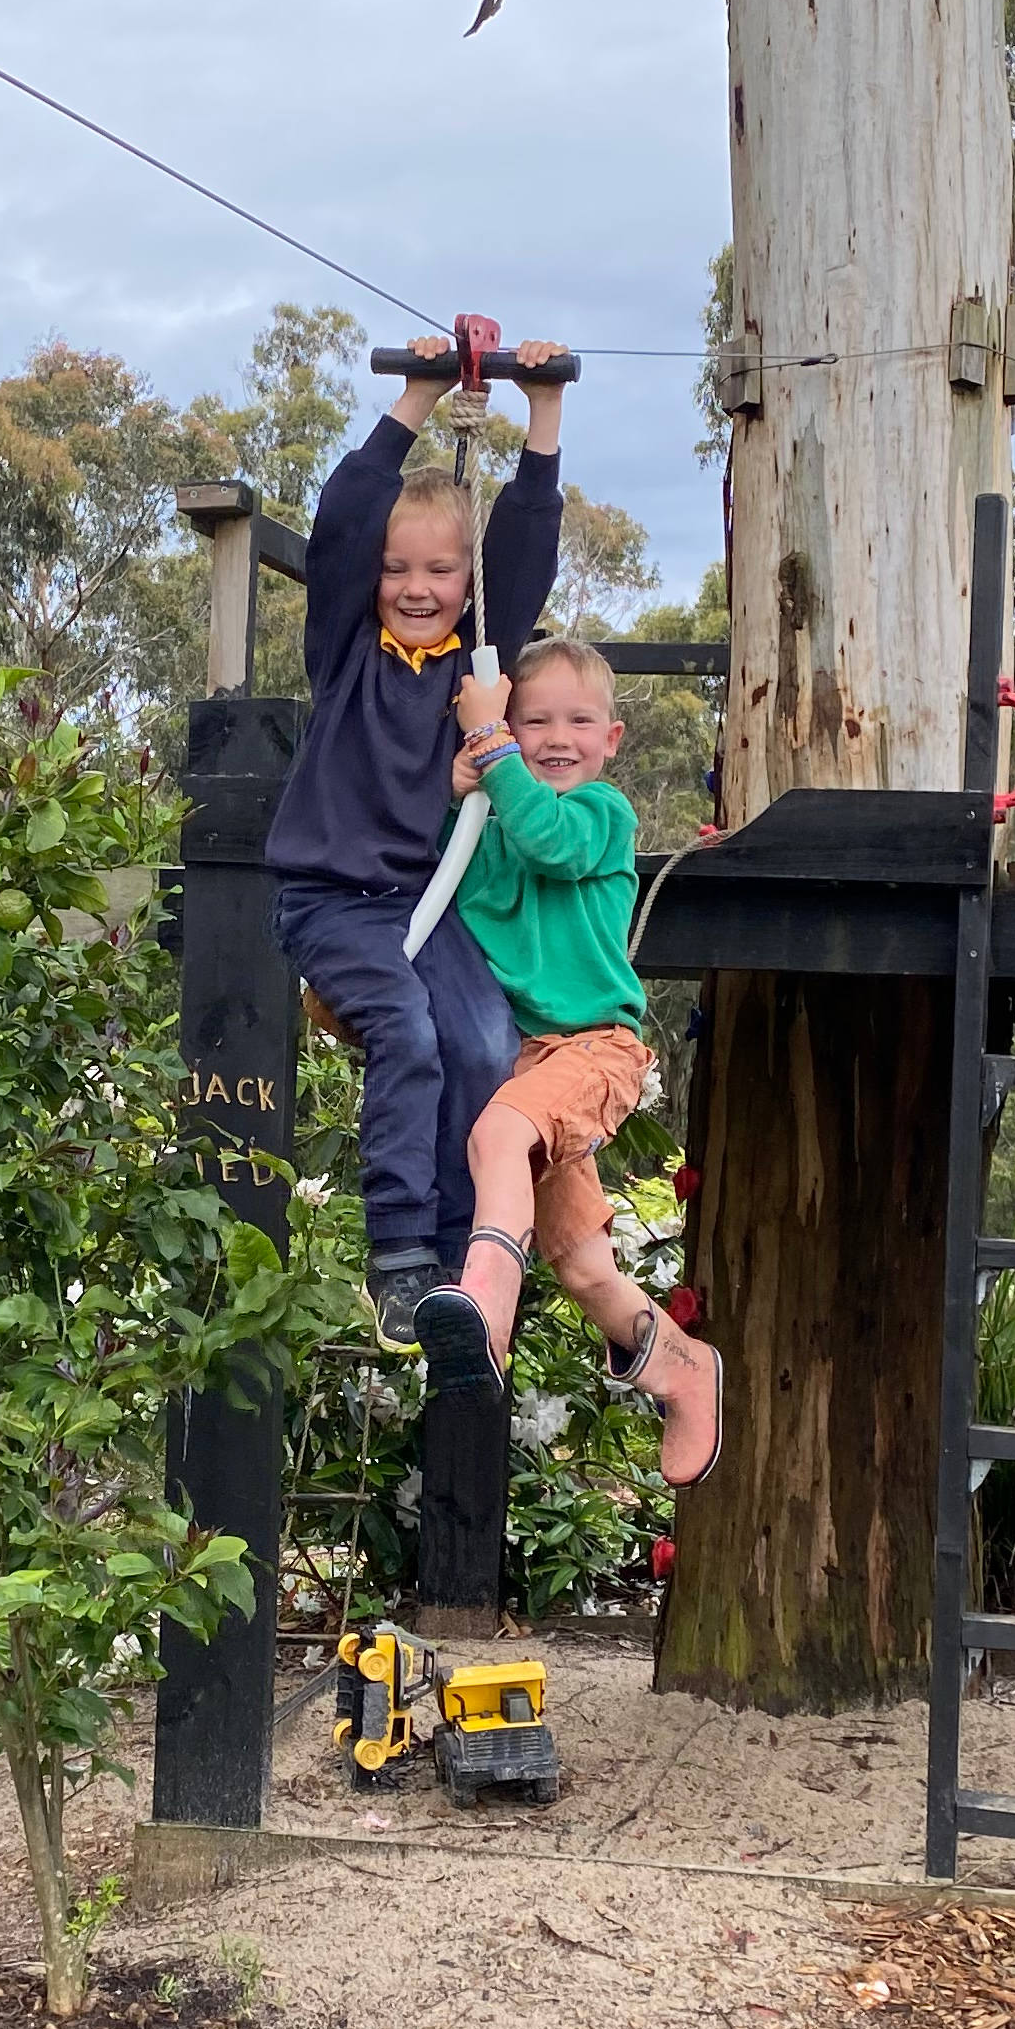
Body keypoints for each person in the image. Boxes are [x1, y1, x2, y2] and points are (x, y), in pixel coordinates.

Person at [266, 334, 566, 1340]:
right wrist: (418, 399)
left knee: (485, 1040)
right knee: (407, 1030)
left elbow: (521, 544)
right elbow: (344, 520)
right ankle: (397, 1253)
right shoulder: (346, 648)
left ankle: (461, 1256)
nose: (417, 584)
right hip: (332, 897)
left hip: (421, 903)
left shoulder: (476, 662)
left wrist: (542, 416)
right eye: (398, 569)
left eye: (440, 568)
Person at [412, 638, 724, 1487]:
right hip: (520, 1058)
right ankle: (683, 1367)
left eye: (578, 722)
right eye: (532, 720)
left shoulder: (600, 813)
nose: (556, 738)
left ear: (612, 738)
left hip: (592, 1049)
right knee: (586, 1269)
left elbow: (549, 841)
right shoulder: (491, 822)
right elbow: (437, 879)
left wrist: (496, 749)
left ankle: (484, 1312)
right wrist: (451, 791)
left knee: (498, 1133)